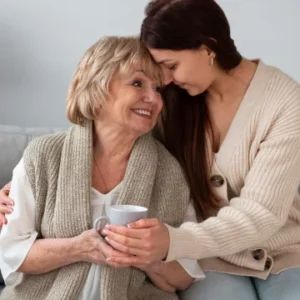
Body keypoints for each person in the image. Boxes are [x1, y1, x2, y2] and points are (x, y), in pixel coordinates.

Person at [89, 1, 300, 300]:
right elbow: (107, 130)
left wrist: (173, 241)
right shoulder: (169, 98)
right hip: (205, 259)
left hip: (283, 254)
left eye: (171, 65)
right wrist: (23, 187)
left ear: (208, 47)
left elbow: (262, 213)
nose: (165, 79)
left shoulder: (286, 101)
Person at [0, 36, 204, 300]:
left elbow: (184, 275)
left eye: (157, 89)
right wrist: (78, 248)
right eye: (137, 83)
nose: (153, 99)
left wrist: (146, 258)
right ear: (98, 88)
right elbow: (11, 251)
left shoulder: (169, 172)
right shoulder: (44, 155)